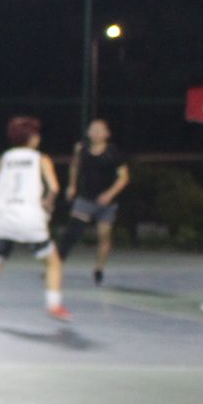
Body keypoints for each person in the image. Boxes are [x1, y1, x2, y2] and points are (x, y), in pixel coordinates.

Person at [0, 116, 68, 324]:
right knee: (53, 262)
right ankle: (53, 304)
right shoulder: (40, 158)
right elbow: (54, 188)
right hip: (30, 217)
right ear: (32, 138)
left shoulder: (3, 159)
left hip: (4, 219)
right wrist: (48, 204)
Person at [56, 117, 130, 283]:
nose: (95, 133)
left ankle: (99, 269)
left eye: (99, 130)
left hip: (107, 203)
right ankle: (56, 266)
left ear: (107, 133)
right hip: (86, 198)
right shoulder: (81, 149)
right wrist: (71, 186)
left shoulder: (113, 152)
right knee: (72, 233)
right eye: (92, 129)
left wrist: (109, 194)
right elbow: (75, 166)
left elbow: (124, 178)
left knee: (104, 236)